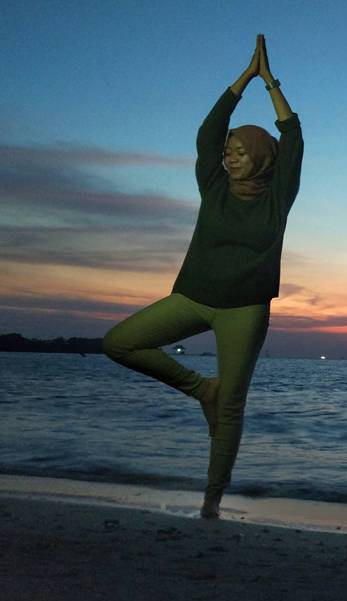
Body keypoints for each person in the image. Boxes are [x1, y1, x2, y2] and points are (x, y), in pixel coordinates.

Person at [102, 34, 303, 519]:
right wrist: (241, 80)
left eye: (240, 150)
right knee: (118, 343)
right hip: (193, 297)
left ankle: (211, 501)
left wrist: (271, 84)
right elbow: (208, 133)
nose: (229, 155)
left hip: (246, 310)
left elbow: (294, 139)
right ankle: (200, 389)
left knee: (232, 406)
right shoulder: (212, 186)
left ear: (263, 157)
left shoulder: (279, 196)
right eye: (229, 149)